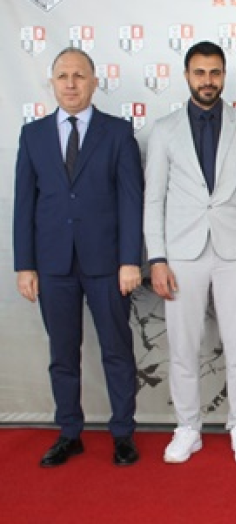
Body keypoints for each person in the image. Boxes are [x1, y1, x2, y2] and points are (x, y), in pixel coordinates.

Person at [143, 41, 236, 464]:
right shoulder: (164, 130)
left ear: (224, 76)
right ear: (187, 76)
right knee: (183, 346)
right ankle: (188, 427)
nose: (208, 80)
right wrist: (157, 259)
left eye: (215, 72)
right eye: (200, 73)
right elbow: (153, 199)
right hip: (182, 252)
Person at [13, 47, 143, 467]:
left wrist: (130, 260)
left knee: (117, 352)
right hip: (53, 265)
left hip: (108, 265)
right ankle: (69, 432)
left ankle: (123, 434)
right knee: (63, 355)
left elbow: (131, 200)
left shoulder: (118, 132)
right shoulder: (32, 135)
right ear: (52, 83)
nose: (71, 84)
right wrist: (25, 265)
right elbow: (24, 205)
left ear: (94, 82)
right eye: (63, 76)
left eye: (79, 76)